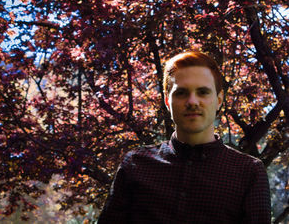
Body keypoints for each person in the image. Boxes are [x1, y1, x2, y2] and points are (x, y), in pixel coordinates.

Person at [98, 51, 271, 223]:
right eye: (181, 93)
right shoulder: (135, 164)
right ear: (167, 101)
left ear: (219, 100)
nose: (192, 101)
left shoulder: (249, 172)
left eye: (203, 92)